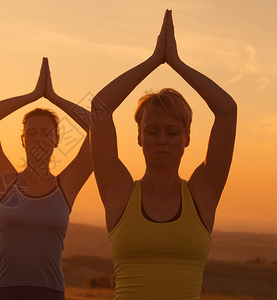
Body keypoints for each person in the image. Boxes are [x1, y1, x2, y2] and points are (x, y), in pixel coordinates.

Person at [90, 10, 237, 300]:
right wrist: (154, 60)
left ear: (187, 138)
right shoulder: (119, 191)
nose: (162, 140)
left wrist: (177, 64)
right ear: (139, 137)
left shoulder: (201, 192)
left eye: (172, 132)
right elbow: (99, 108)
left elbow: (227, 111)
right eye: (153, 131)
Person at [0, 58, 92, 300]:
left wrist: (53, 97)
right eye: (31, 132)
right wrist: (33, 95)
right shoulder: (5, 182)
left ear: (57, 140)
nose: (38, 138)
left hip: (50, 293)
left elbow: (98, 127)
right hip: (6, 292)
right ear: (23, 140)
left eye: (46, 132)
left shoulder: (67, 185)